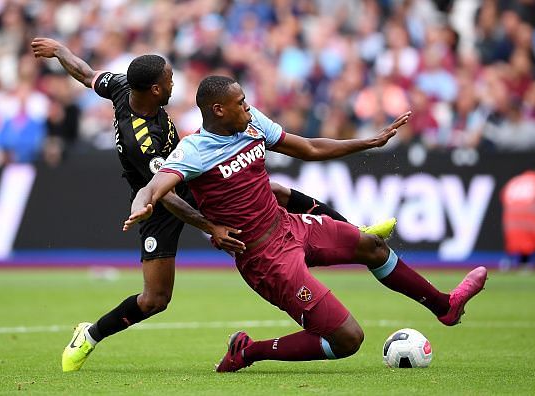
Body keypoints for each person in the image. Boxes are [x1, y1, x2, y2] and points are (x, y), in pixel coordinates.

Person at [30, 38, 396, 372]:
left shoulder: (125, 85)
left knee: (275, 191)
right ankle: (90, 334)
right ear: (156, 89)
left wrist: (59, 50)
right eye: (170, 80)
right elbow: (167, 195)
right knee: (155, 299)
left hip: (187, 179)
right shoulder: (141, 139)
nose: (175, 85)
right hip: (163, 202)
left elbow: (87, 73)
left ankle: (352, 232)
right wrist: (212, 228)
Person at [125, 76, 488, 373]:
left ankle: (445, 306)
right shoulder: (194, 151)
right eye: (240, 103)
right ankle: (249, 351)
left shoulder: (253, 125)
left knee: (373, 247)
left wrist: (369, 142)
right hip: (265, 260)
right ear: (218, 110)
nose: (248, 107)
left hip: (290, 226)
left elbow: (310, 147)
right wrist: (144, 206)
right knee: (348, 339)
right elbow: (153, 187)